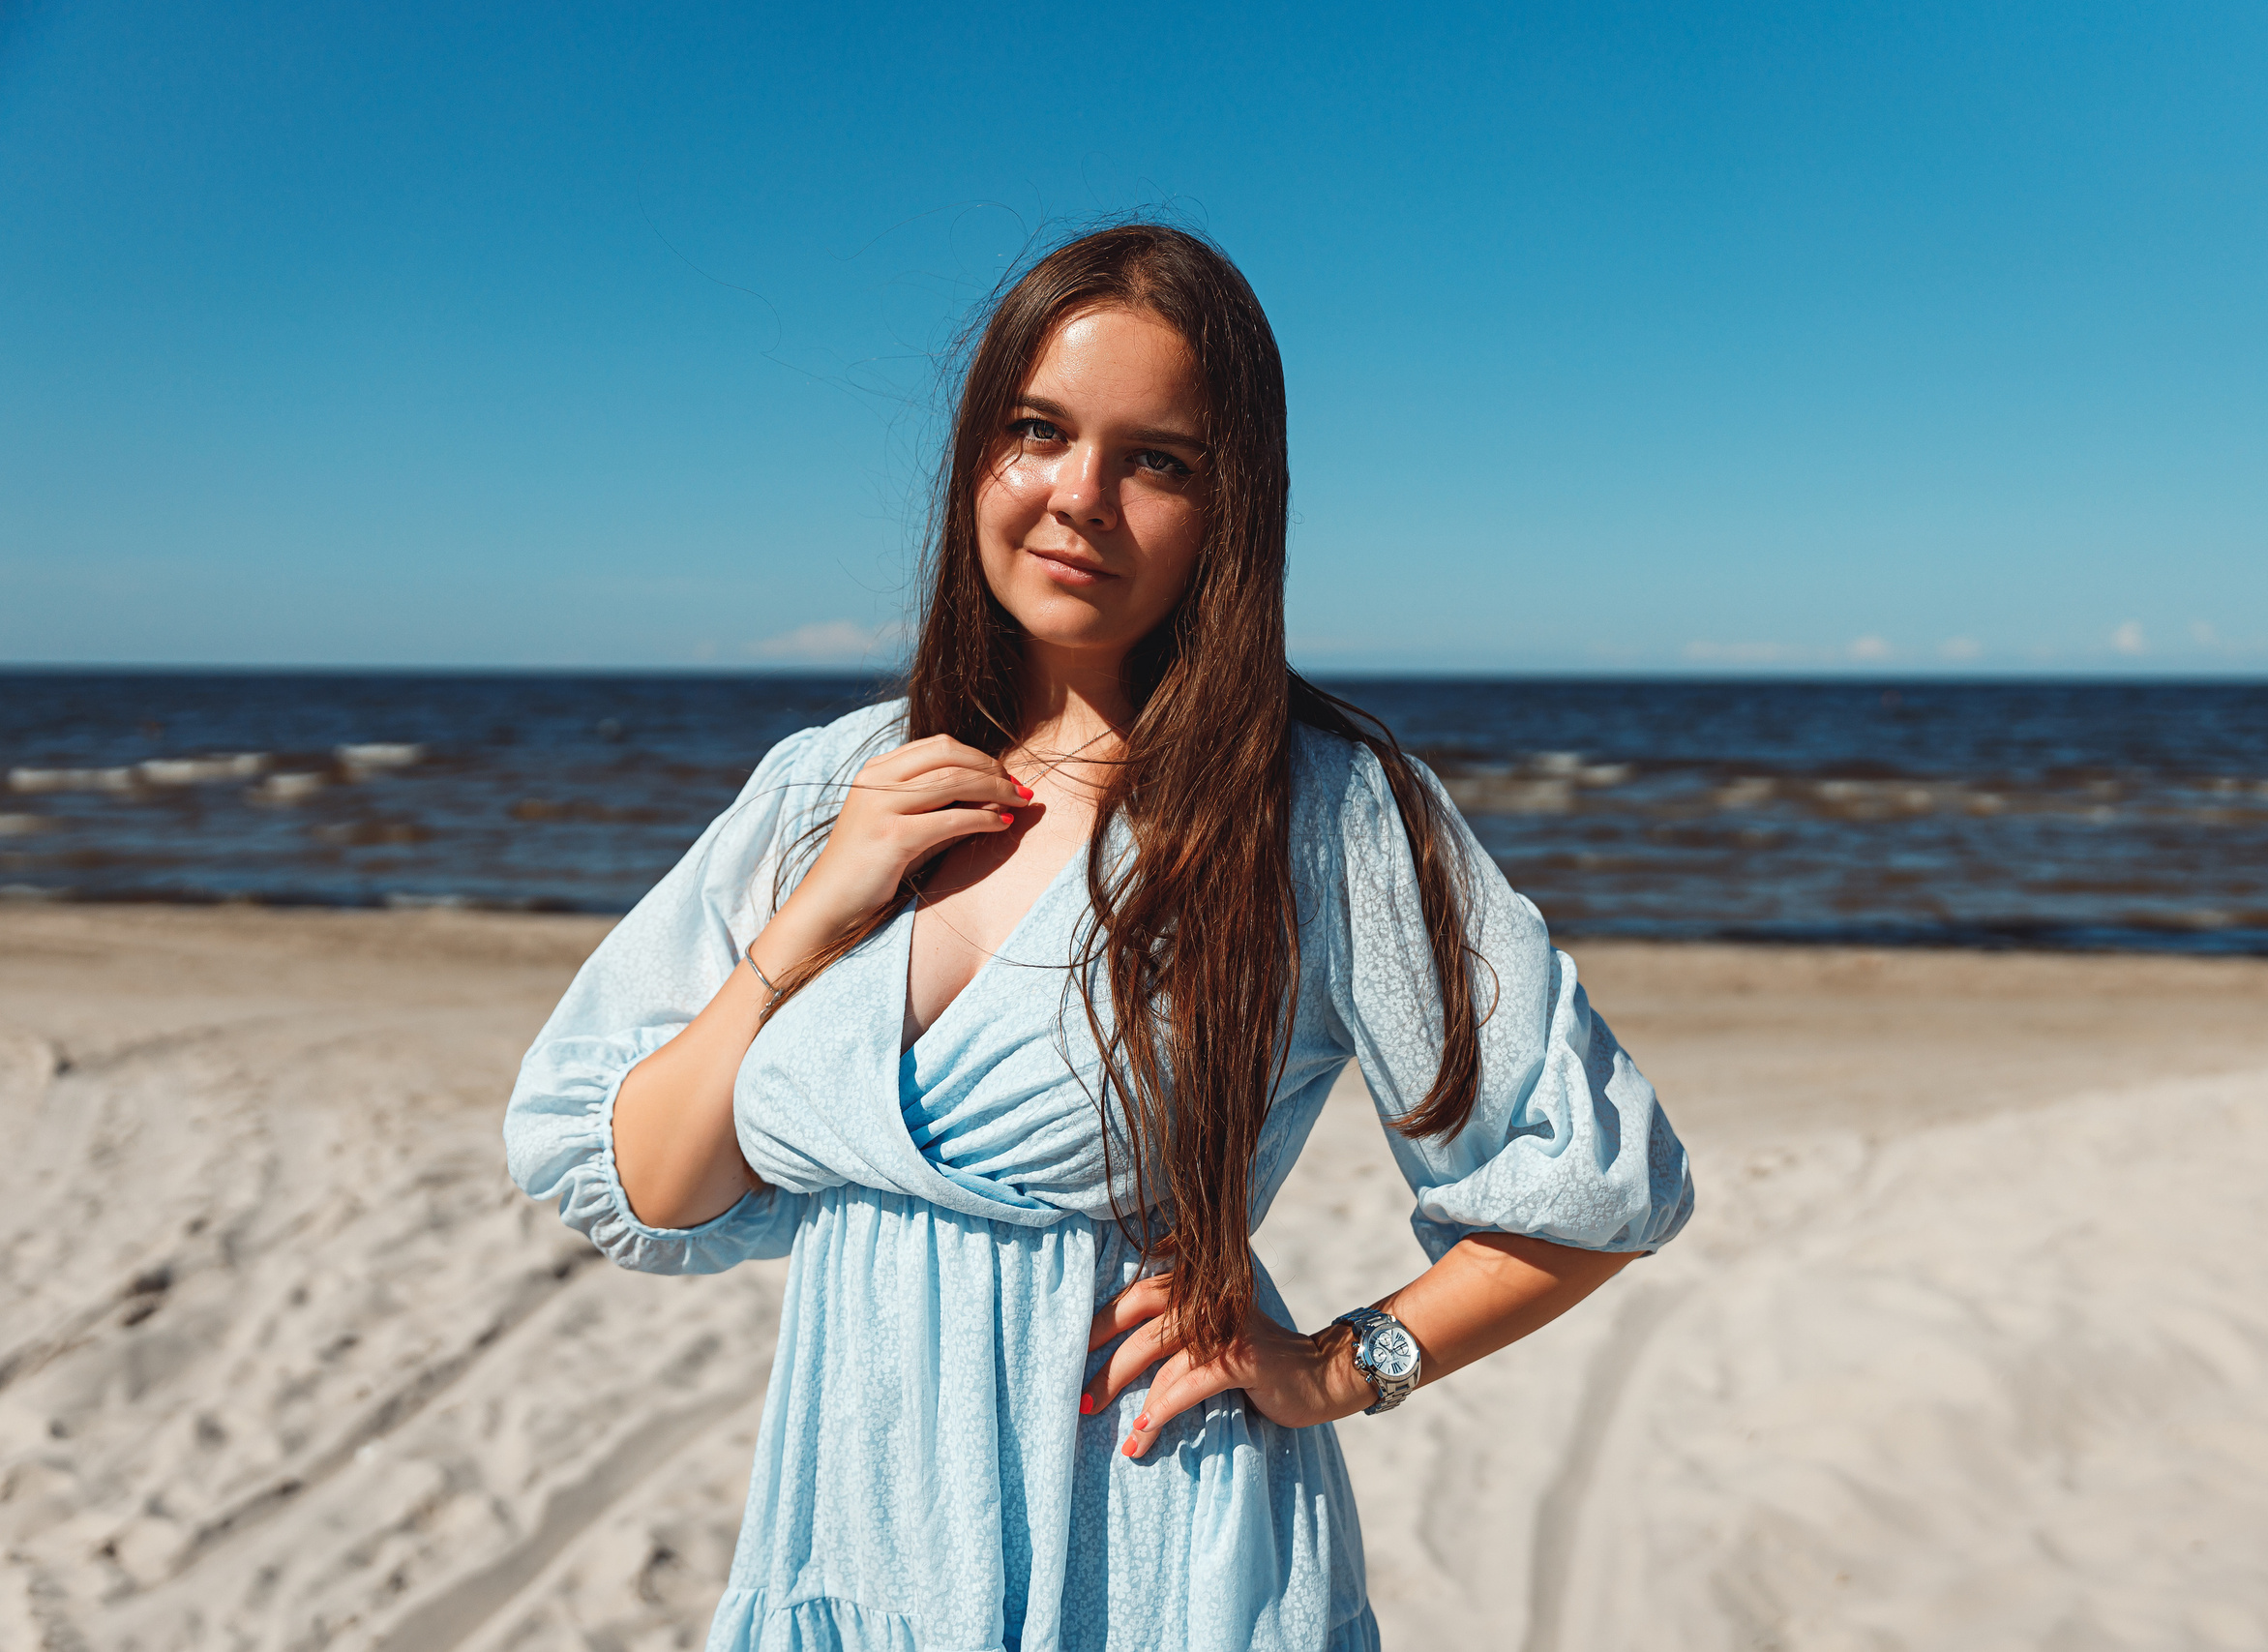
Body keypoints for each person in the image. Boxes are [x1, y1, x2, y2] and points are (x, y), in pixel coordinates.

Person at [504, 222, 1691, 1652]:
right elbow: (642, 1184)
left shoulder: (1315, 808)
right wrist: (815, 915)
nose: (1081, 498)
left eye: (1158, 460)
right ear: (976, 459)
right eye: (1038, 433)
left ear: (1229, 506)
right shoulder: (833, 782)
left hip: (1152, 1557)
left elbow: (1595, 1172)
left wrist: (1346, 1361)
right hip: (847, 1546)